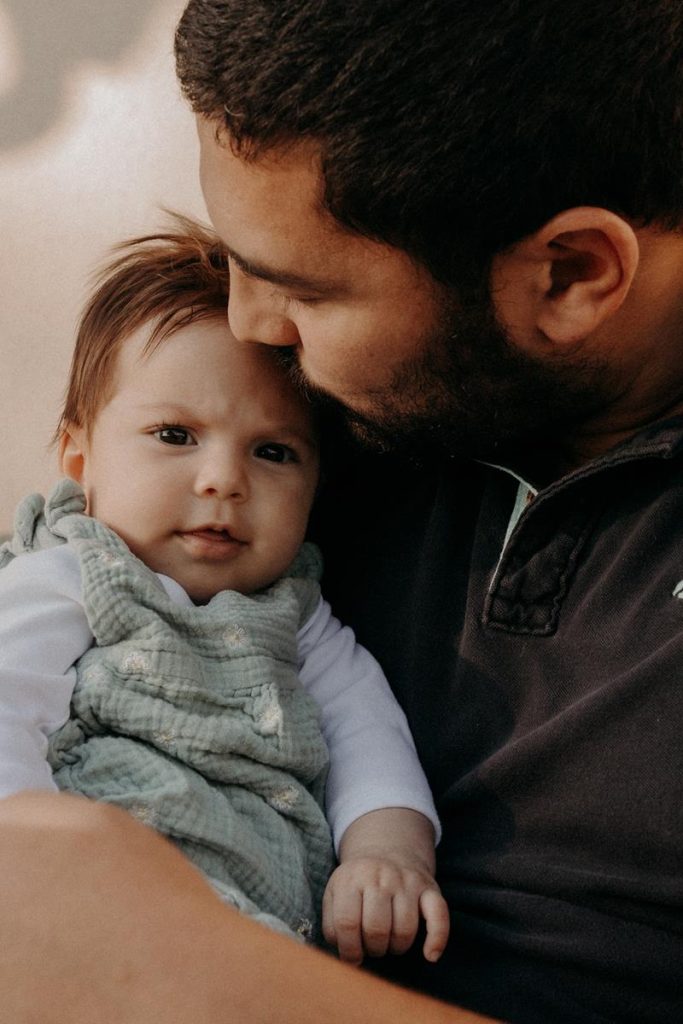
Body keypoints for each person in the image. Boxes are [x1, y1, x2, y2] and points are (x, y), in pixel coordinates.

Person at [1, 0, 682, 1021]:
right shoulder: (318, 403)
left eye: (302, 291)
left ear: (570, 273)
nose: (247, 326)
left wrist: (174, 968)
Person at [0, 218, 449, 963]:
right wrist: (31, 861)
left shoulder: (299, 618)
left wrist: (387, 857)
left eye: (273, 452)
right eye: (175, 435)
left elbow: (369, 739)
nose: (223, 480)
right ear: (80, 455)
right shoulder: (73, 572)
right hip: (93, 895)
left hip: (256, 931)